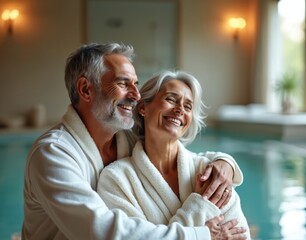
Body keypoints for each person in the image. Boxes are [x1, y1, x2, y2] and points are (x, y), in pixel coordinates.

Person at [22, 43, 246, 240]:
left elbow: (178, 151)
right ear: (85, 89)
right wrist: (202, 235)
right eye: (123, 83)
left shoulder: (124, 136)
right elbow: (104, 233)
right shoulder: (53, 153)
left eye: (136, 84)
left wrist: (224, 162)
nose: (136, 95)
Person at [97, 70, 251, 240]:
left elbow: (241, 234)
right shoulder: (117, 179)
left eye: (188, 106)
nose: (180, 110)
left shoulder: (211, 172)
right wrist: (200, 205)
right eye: (171, 99)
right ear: (143, 108)